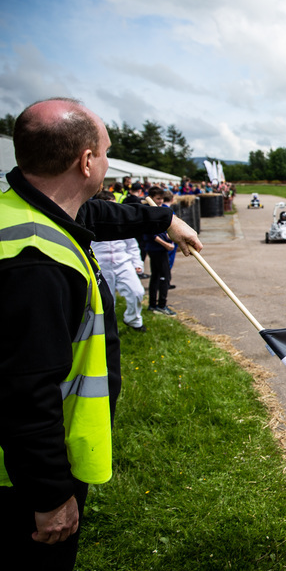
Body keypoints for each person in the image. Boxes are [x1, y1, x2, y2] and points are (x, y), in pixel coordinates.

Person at [0, 98, 201, 570]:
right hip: (23, 479)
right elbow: (25, 393)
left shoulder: (26, 212)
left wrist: (163, 219)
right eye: (106, 152)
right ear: (86, 161)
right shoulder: (37, 264)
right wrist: (50, 496)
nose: (108, 164)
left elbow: (99, 217)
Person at [90, 192, 147, 333]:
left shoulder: (122, 223)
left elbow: (132, 245)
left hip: (123, 262)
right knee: (107, 300)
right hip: (101, 265)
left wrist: (137, 264)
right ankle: (107, 328)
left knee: (137, 292)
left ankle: (133, 320)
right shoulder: (91, 224)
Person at [143, 187, 177, 317]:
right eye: (158, 199)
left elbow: (165, 229)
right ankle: (161, 305)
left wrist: (170, 237)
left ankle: (153, 304)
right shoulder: (149, 212)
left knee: (156, 276)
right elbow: (151, 235)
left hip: (161, 248)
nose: (160, 201)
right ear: (150, 197)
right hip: (156, 249)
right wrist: (166, 244)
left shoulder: (162, 210)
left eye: (162, 199)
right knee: (164, 277)